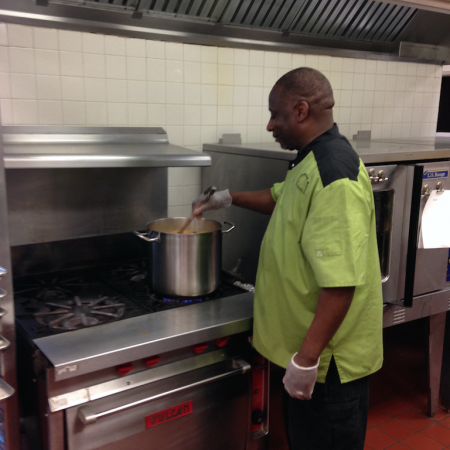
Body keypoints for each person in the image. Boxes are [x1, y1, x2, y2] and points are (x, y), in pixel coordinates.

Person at [193, 67, 383, 450]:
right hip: (311, 354)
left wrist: (307, 360)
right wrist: (228, 197)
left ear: (300, 110)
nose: (269, 125)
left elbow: (340, 284)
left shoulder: (334, 176)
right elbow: (280, 197)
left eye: (275, 115)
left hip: (330, 367)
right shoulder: (311, 160)